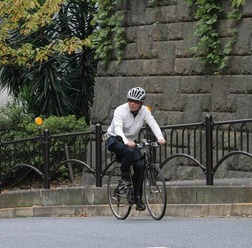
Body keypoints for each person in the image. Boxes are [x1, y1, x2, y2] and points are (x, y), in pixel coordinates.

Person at [106, 87, 166, 211]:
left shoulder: (144, 111)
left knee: (140, 165)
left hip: (131, 142)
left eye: (136, 101)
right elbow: (117, 128)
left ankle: (137, 197)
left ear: (141, 103)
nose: (132, 103)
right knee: (129, 150)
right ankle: (125, 177)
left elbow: (152, 123)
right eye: (130, 100)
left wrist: (160, 137)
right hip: (114, 139)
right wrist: (126, 141)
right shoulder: (120, 110)